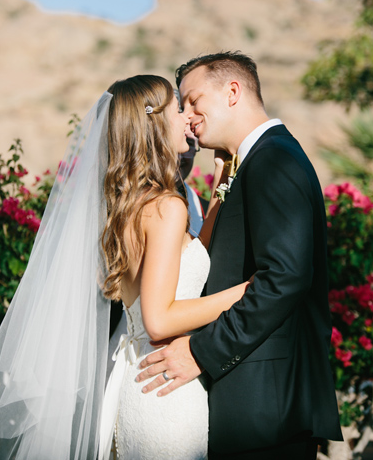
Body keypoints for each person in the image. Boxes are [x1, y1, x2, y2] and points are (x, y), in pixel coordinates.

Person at [0, 75, 248, 460]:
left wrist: (219, 191)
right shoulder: (168, 207)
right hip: (167, 389)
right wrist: (243, 293)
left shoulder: (128, 207)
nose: (189, 121)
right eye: (179, 109)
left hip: (136, 383)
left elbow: (185, 259)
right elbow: (158, 319)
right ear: (155, 123)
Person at [137, 52, 342, 459]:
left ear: (233, 92)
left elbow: (284, 278)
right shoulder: (254, 163)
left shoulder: (274, 160)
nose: (188, 114)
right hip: (256, 406)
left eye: (194, 100)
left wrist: (201, 351)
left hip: (268, 406)